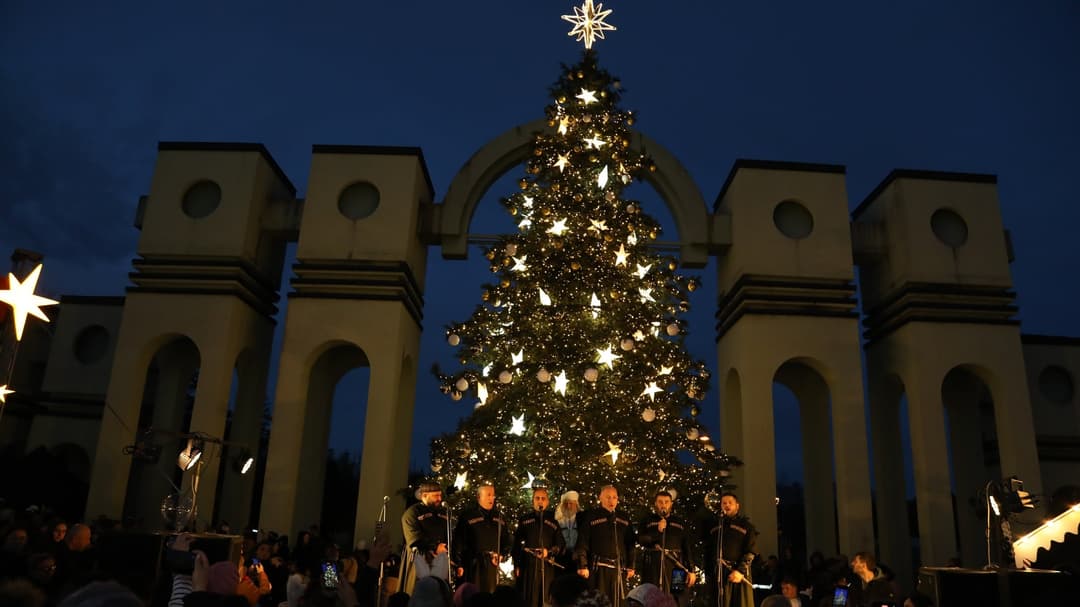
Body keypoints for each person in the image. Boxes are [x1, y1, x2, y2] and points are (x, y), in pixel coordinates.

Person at [574, 486, 635, 607]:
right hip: (598, 570)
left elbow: (630, 543)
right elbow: (582, 542)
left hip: (618, 569)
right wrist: (582, 565)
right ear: (600, 498)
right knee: (599, 602)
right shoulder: (591, 516)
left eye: (614, 497)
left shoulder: (623, 518)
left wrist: (631, 565)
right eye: (608, 497)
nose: (611, 501)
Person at [635, 491, 695, 604]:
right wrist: (657, 532)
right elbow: (641, 539)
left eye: (666, 502)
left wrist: (691, 570)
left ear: (671, 504)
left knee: (677, 598)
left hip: (677, 566)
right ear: (655, 504)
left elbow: (687, 547)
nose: (663, 505)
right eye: (660, 502)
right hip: (653, 565)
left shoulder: (680, 522)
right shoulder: (647, 520)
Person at [513, 487, 566, 607]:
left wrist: (549, 551)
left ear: (547, 502)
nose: (540, 501)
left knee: (545, 598)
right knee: (528, 597)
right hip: (528, 566)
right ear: (533, 501)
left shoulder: (553, 521)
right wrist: (517, 564)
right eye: (537, 498)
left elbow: (561, 545)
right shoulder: (525, 520)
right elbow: (517, 545)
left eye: (543, 498)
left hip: (546, 566)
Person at [453, 484, 511, 592]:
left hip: (492, 565)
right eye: (488, 495)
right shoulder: (467, 516)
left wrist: (502, 555)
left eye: (493, 495)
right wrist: (458, 563)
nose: (492, 498)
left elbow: (506, 541)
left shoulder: (499, 517)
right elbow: (459, 541)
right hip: (473, 565)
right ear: (479, 497)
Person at [702, 492, 756, 607]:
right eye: (724, 503)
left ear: (737, 505)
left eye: (730, 503)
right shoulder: (715, 527)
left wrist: (740, 571)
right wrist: (708, 574)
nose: (727, 505)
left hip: (738, 573)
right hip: (719, 574)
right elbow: (708, 551)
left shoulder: (746, 526)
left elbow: (750, 551)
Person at [400, 483, 451, 595]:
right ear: (424, 495)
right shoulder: (412, 513)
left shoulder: (443, 513)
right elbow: (414, 538)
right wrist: (434, 547)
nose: (439, 498)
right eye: (436, 495)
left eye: (440, 495)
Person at [555, 492, 581, 571]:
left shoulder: (582, 520)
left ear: (576, 504)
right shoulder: (557, 520)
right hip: (561, 559)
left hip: (577, 559)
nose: (568, 506)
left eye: (571, 503)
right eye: (566, 504)